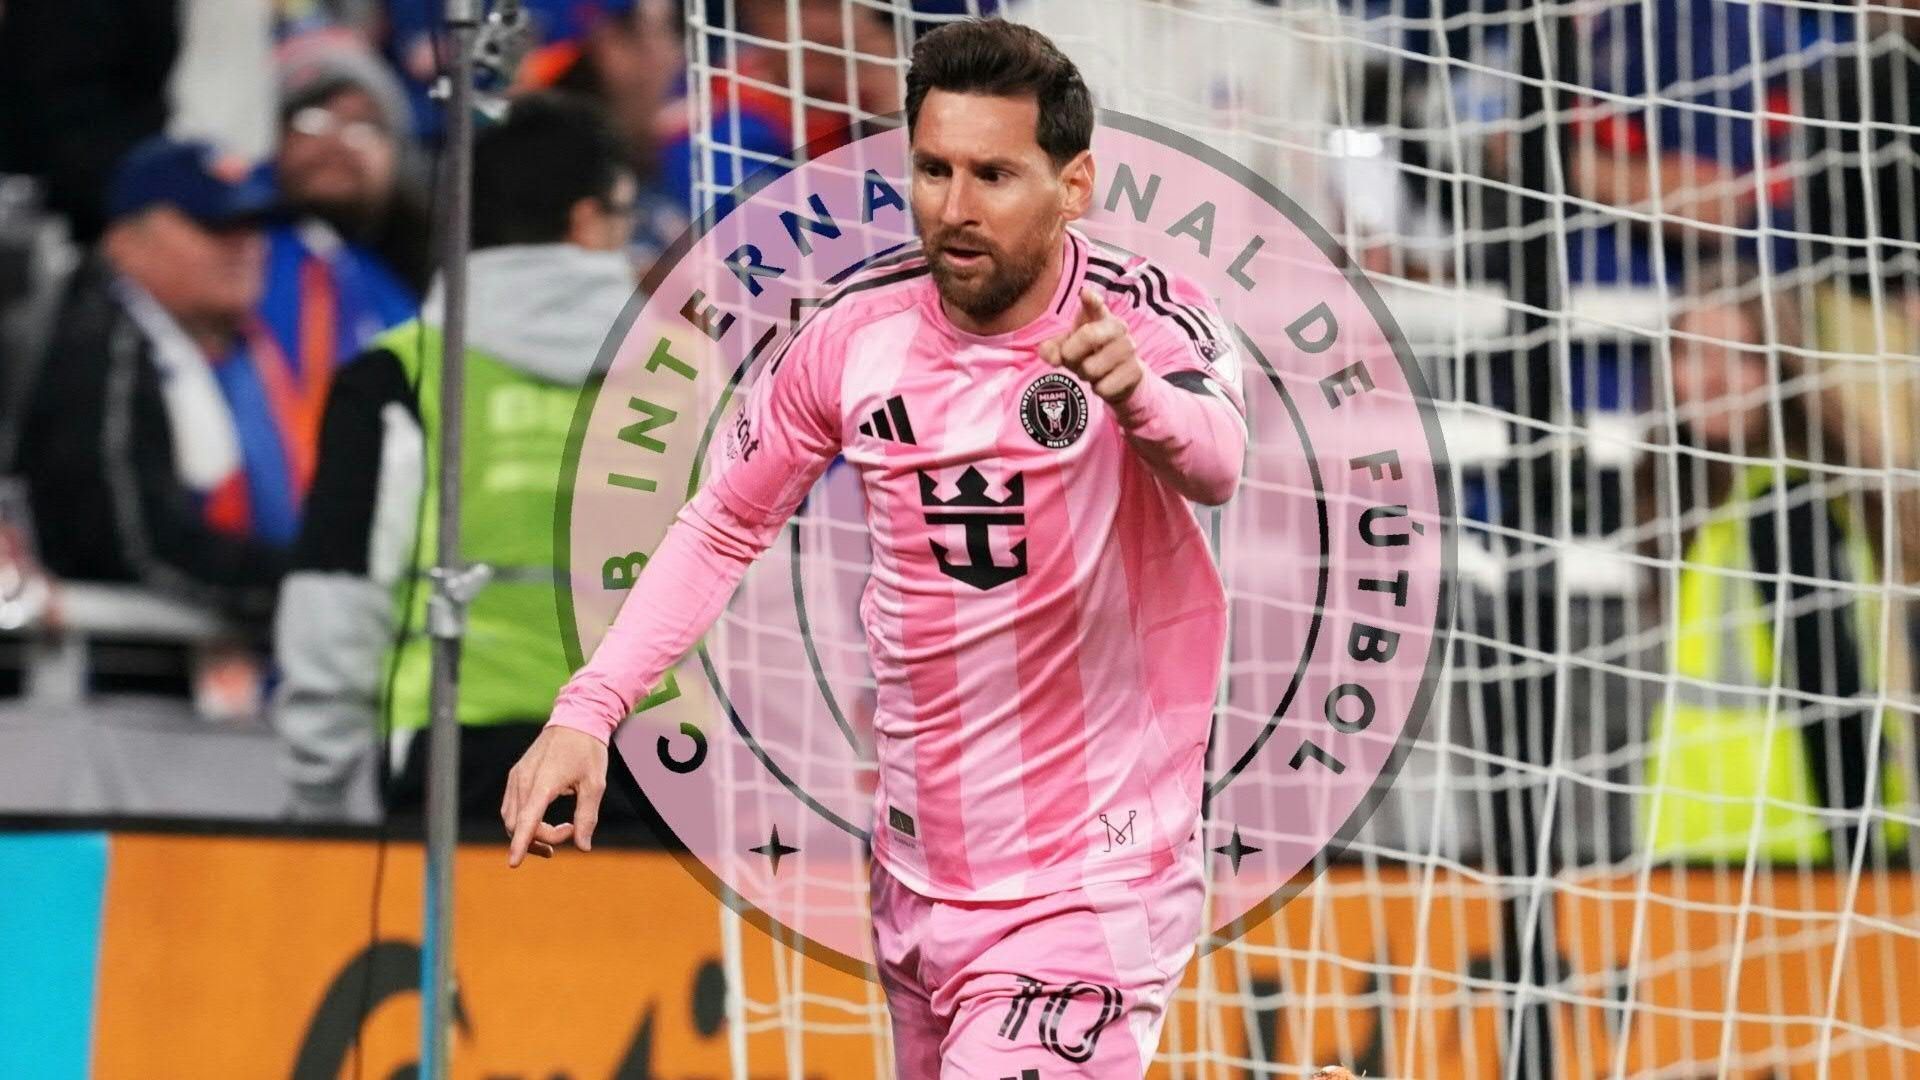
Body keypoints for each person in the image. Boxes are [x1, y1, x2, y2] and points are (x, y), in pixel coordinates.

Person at [504, 19, 1247, 1078]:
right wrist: (590, 710)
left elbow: (1217, 462)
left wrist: (1137, 400)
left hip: (1090, 882)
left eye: (994, 174)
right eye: (934, 170)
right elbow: (722, 523)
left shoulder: (1141, 317)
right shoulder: (853, 333)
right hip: (916, 873)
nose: (956, 207)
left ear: (1073, 185)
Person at [270, 93, 650, 822]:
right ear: (585, 221)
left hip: (453, 755)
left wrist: (317, 787)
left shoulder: (400, 372)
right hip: (656, 763)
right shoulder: (695, 380)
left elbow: (337, 593)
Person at [1641, 271, 1913, 865]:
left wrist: (1860, 861)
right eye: (1694, 354)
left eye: (1740, 356)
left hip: (1795, 856)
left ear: (1780, 373)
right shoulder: (1714, 507)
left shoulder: (1787, 508)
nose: (1712, 379)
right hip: (1710, 848)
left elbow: (1832, 697)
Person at [18, 137, 289, 621]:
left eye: (253, 227)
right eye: (214, 226)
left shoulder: (235, 353)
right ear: (126, 240)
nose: (245, 246)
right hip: (103, 656)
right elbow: (125, 548)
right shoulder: (102, 341)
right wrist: (303, 585)